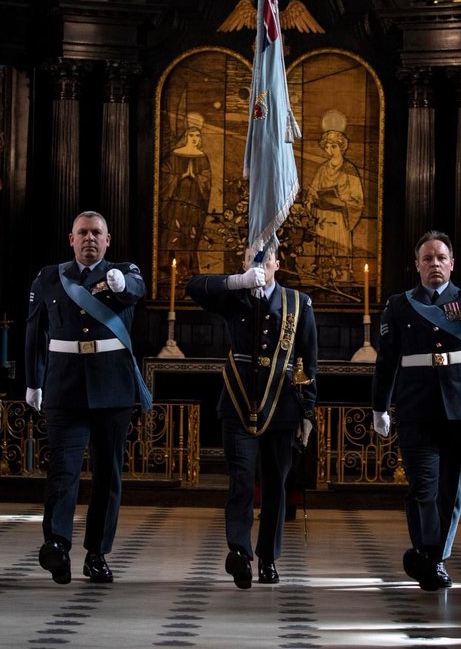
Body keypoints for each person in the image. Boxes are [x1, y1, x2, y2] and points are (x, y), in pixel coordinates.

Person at [371, 230, 461, 591]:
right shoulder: (400, 305)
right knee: (423, 488)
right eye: (427, 258)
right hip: (417, 406)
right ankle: (427, 549)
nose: (435, 264)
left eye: (441, 258)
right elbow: (387, 361)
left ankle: (436, 557)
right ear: (417, 264)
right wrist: (379, 407)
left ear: (452, 264)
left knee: (451, 488)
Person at [24, 211, 149, 585]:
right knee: (62, 471)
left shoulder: (126, 271)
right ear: (71, 239)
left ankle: (97, 553)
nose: (90, 238)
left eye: (97, 233)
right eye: (83, 233)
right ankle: (57, 546)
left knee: (108, 476)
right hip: (64, 387)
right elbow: (35, 331)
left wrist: (119, 282)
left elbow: (136, 292)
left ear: (107, 240)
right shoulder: (49, 277)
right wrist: (33, 381)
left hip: (112, 388)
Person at [186, 239, 317, 589]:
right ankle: (240, 553)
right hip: (238, 402)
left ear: (278, 263)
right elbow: (193, 287)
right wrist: (236, 281)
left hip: (283, 405)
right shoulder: (235, 296)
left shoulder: (297, 303)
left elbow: (305, 360)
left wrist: (308, 412)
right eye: (250, 258)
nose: (258, 263)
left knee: (275, 486)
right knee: (241, 482)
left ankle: (269, 558)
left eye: (265, 258)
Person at [308, 110, 364, 280]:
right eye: (327, 147)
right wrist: (312, 198)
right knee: (324, 254)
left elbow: (358, 200)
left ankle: (340, 280)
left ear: (342, 146)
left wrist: (342, 201)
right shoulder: (322, 169)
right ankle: (323, 280)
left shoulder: (349, 170)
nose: (330, 150)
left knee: (338, 255)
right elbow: (313, 191)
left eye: (334, 146)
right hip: (323, 218)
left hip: (340, 219)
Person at [159, 113, 212, 278]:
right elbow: (164, 175)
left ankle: (189, 268)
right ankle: (170, 267)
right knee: (174, 233)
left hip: (194, 203)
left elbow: (206, 179)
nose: (195, 138)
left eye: (197, 135)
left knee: (191, 235)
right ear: (186, 136)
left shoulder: (202, 157)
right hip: (176, 204)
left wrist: (196, 177)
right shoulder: (175, 154)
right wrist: (180, 176)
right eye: (191, 134)